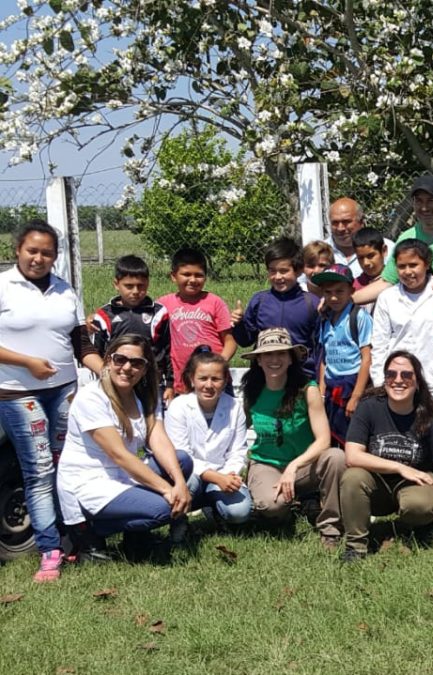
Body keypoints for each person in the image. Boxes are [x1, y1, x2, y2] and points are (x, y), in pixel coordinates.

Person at [0, 220, 104, 581]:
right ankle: (49, 550)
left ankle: (72, 536)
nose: (39, 258)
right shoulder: (3, 286)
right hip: (17, 393)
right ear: (18, 251)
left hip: (64, 390)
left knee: (66, 464)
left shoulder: (65, 291)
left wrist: (105, 372)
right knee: (40, 470)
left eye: (47, 252)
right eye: (32, 250)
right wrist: (26, 362)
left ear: (55, 257)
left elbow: (81, 345)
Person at [56, 335, 191, 562]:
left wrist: (179, 483)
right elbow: (119, 455)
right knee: (164, 509)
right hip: (90, 482)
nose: (127, 367)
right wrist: (168, 491)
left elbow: (159, 439)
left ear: (146, 368)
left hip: (122, 476)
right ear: (108, 360)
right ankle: (88, 530)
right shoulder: (91, 397)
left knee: (182, 460)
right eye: (120, 359)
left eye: (137, 363)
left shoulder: (145, 394)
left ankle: (136, 538)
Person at [339, 351, 433, 561]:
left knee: (419, 506)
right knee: (352, 478)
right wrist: (400, 467)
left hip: (414, 486)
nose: (398, 380)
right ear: (384, 380)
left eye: (406, 375)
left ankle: (415, 527)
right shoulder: (369, 407)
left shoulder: (430, 417)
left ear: (417, 382)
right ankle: (356, 547)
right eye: (391, 375)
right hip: (376, 484)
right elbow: (352, 456)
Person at [241, 329, 346, 550]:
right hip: (266, 462)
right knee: (272, 507)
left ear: (291, 358)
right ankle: (298, 505)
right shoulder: (252, 391)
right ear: (258, 360)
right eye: (267, 355)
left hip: (303, 465)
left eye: (281, 354)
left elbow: (323, 440)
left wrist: (294, 466)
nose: (274, 360)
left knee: (336, 457)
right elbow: (238, 430)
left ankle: (330, 529)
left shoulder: (307, 390)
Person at [352, 174, 433, 304]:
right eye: (419, 201)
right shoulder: (407, 238)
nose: (424, 207)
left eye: (431, 200)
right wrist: (344, 301)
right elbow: (387, 282)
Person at [164, 347, 251, 527]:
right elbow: (181, 453)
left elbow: (238, 450)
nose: (209, 385)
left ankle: (213, 506)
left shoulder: (235, 407)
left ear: (226, 380)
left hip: (224, 472)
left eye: (216, 379)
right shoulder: (178, 406)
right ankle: (179, 523)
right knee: (188, 482)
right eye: (203, 378)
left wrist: (228, 477)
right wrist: (216, 478)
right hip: (190, 475)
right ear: (191, 379)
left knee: (239, 512)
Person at [369, 240, 433, 412]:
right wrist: (381, 383)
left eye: (413, 265)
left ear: (426, 264)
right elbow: (379, 345)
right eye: (402, 266)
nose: (408, 272)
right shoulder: (387, 298)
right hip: (397, 385)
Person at [231, 238, 320, 377]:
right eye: (272, 271)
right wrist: (238, 324)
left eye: (284, 271)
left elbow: (320, 348)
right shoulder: (259, 301)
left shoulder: (312, 304)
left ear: (298, 271)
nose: (278, 277)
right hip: (264, 378)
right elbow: (245, 341)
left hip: (302, 378)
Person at [91, 254, 173, 402]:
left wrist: (170, 383)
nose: (135, 291)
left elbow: (168, 349)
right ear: (116, 284)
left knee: (150, 419)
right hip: (117, 380)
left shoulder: (159, 313)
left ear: (147, 283)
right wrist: (103, 379)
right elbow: (97, 352)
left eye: (141, 286)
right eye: (129, 286)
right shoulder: (104, 315)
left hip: (150, 382)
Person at [157, 247, 236, 394]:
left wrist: (218, 364)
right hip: (179, 383)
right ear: (173, 276)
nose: (192, 280)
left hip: (213, 381)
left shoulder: (215, 302)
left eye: (198, 275)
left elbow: (230, 341)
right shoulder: (163, 304)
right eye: (186, 274)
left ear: (206, 277)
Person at [313, 263, 373, 447]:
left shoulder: (359, 317)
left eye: (339, 291)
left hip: (351, 384)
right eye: (328, 291)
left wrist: (356, 396)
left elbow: (367, 358)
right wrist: (322, 392)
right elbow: (325, 359)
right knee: (330, 435)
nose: (333, 297)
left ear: (351, 290)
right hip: (332, 386)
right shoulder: (325, 318)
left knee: (352, 438)